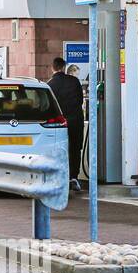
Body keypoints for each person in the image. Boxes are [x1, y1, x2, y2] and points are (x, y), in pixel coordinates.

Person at [47, 57, 85, 191]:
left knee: (59, 150)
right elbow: (80, 100)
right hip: (75, 120)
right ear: (63, 67)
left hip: (59, 122)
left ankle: (59, 177)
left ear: (52, 68)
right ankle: (73, 177)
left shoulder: (49, 85)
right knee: (75, 149)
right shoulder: (74, 81)